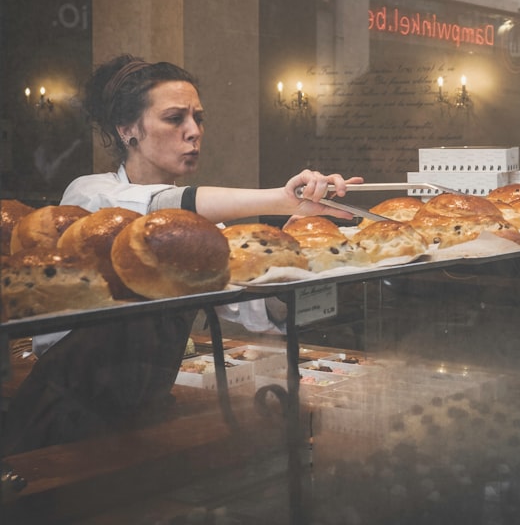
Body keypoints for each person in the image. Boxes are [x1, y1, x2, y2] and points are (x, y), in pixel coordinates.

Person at [1, 55, 362, 456]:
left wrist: (307, 260)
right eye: (175, 119)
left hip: (144, 415)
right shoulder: (91, 196)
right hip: (62, 416)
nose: (194, 132)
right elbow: (157, 214)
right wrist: (281, 199)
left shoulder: (199, 233)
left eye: (199, 118)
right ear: (127, 130)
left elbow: (258, 311)